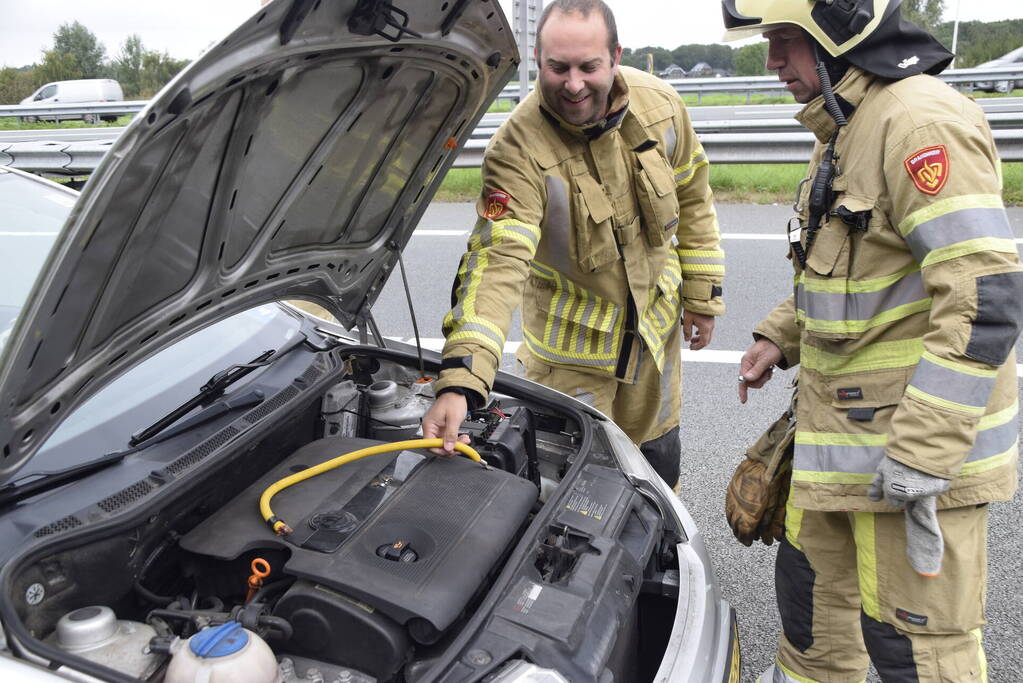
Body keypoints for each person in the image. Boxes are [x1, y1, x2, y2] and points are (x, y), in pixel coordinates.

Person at [722, 0, 1023, 681]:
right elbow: (855, 274)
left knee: (915, 653)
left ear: (836, 31)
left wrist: (921, 454)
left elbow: (983, 301)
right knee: (810, 625)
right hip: (838, 453)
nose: (771, 62)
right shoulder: (844, 125)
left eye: (782, 41)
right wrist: (780, 335)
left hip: (909, 468)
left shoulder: (918, 122)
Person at [421, 0, 725, 488]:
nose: (575, 83)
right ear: (538, 60)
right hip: (572, 371)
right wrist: (462, 381)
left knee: (660, 477)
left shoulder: (662, 107)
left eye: (589, 66)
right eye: (558, 67)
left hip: (656, 346)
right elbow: (497, 264)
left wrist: (702, 295)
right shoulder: (516, 149)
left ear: (616, 56)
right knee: (579, 506)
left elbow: (693, 200)